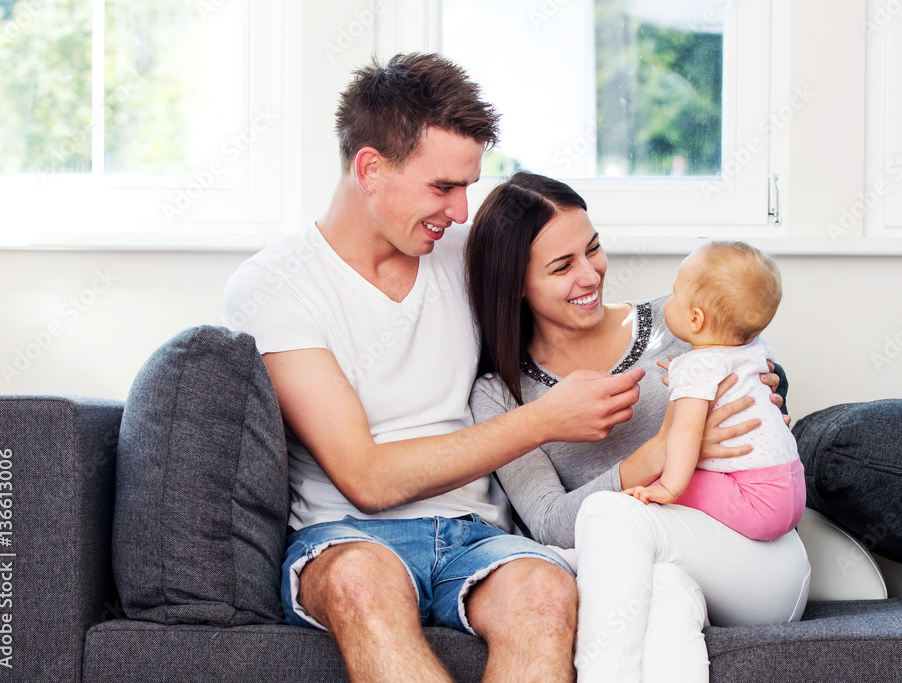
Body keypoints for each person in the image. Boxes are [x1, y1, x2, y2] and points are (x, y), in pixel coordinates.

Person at [222, 53, 647, 683]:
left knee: (546, 593)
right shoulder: (275, 285)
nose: (462, 210)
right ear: (369, 168)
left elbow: (575, 306)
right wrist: (544, 422)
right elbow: (366, 478)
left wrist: (720, 363)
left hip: (475, 532)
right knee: (362, 582)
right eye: (443, 187)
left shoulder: (461, 254)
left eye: (469, 186)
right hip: (346, 537)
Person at [467, 172, 811, 683]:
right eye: (562, 266)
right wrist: (664, 450)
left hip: (759, 558)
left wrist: (771, 391)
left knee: (612, 511)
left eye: (594, 249)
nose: (589, 275)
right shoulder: (501, 395)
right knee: (663, 589)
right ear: (515, 282)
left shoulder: (684, 320)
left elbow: (762, 386)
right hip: (664, 570)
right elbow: (550, 521)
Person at [623, 241, 806, 542]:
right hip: (793, 487)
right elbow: (724, 371)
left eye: (674, 293)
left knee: (647, 496)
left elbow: (686, 432)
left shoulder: (696, 368)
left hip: (756, 501)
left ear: (695, 319)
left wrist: (668, 487)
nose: (668, 298)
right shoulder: (756, 349)